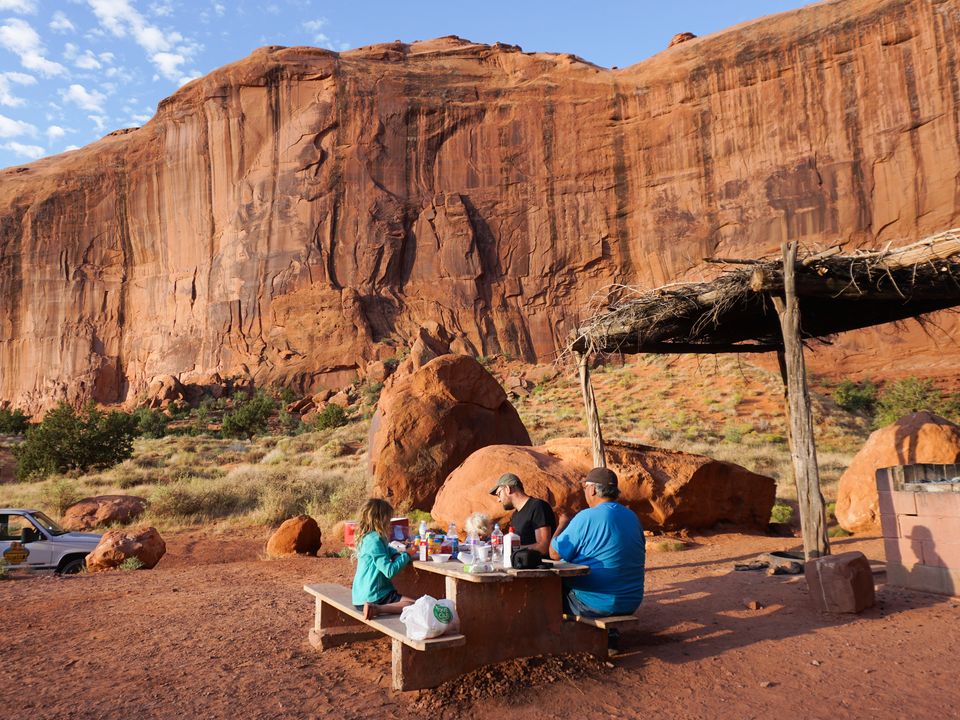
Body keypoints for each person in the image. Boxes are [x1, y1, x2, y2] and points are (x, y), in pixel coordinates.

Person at [549, 467, 646, 620]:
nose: (585, 492)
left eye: (585, 487)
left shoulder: (587, 516)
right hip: (631, 602)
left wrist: (562, 524)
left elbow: (554, 553)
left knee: (546, 592)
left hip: (593, 604)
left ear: (593, 489)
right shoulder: (632, 516)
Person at [352, 498, 417, 620]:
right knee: (415, 605)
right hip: (374, 596)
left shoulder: (368, 537)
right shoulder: (375, 540)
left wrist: (396, 553)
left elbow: (386, 549)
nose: (390, 523)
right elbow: (389, 571)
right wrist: (407, 555)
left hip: (359, 597)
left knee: (409, 602)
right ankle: (377, 609)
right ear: (381, 520)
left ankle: (376, 607)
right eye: (388, 519)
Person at [490, 472, 557, 556]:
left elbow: (543, 547)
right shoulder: (515, 515)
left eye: (499, 494)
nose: (499, 500)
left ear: (507, 489)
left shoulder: (538, 507)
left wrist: (511, 549)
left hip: (539, 563)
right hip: (520, 562)